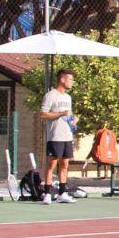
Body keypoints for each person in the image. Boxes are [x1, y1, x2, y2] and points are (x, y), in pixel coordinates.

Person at [39, 68, 77, 205]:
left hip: (67, 136)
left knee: (65, 164)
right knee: (52, 164)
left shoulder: (68, 97)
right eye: (70, 79)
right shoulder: (50, 95)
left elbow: (69, 115)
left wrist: (73, 119)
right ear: (62, 79)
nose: (72, 82)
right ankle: (47, 193)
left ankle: (62, 193)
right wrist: (60, 114)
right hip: (55, 136)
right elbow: (43, 115)